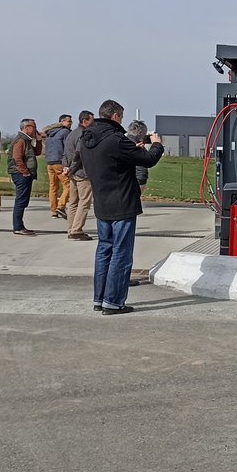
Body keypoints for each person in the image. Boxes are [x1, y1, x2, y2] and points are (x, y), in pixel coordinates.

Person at [79, 99, 163, 315]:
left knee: (104, 250)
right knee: (121, 253)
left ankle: (99, 299)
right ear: (115, 115)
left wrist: (129, 151)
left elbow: (108, 161)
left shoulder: (86, 138)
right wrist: (157, 144)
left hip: (102, 201)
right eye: (121, 117)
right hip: (122, 202)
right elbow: (149, 159)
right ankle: (114, 302)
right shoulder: (116, 139)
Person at [8, 118, 44, 236]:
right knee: (21, 200)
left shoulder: (27, 140)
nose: (35, 130)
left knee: (23, 200)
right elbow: (17, 158)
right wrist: (25, 172)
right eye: (34, 127)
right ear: (27, 127)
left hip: (24, 174)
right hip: (20, 174)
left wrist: (38, 141)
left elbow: (36, 152)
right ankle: (18, 226)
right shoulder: (20, 140)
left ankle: (19, 225)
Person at [62, 110, 95, 241]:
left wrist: (66, 167)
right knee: (84, 202)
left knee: (73, 202)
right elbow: (79, 154)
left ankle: (71, 228)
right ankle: (76, 230)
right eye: (92, 121)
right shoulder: (84, 134)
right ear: (84, 121)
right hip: (82, 173)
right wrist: (71, 168)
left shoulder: (71, 134)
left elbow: (66, 153)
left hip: (73, 173)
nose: (93, 123)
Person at [41, 114, 73, 219]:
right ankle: (61, 206)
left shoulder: (50, 133)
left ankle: (54, 211)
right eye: (69, 121)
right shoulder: (66, 132)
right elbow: (68, 148)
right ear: (62, 121)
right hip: (60, 162)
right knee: (68, 185)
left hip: (49, 162)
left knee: (53, 187)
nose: (71, 123)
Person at [126, 120, 151, 191]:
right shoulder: (139, 147)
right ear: (143, 134)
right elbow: (148, 162)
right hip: (137, 179)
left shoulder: (121, 141)